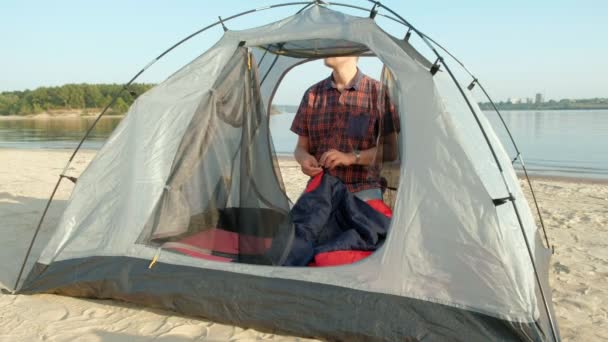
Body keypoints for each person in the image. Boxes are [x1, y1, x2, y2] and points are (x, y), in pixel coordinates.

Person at [290, 56, 400, 201]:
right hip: (321, 187)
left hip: (363, 187)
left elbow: (390, 151)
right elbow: (300, 148)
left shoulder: (378, 92)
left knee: (366, 223)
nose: (328, 51)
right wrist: (304, 159)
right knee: (297, 222)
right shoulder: (312, 94)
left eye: (336, 46)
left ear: (354, 53)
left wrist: (351, 157)